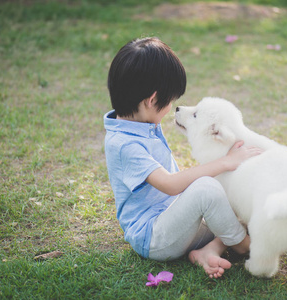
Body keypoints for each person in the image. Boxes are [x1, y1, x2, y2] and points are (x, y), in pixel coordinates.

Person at [104, 37, 262, 278]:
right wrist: (225, 161)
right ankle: (245, 246)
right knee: (208, 189)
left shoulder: (138, 121)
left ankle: (208, 250)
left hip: (177, 219)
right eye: (170, 101)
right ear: (152, 101)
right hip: (156, 237)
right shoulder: (124, 143)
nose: (172, 108)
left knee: (227, 193)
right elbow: (169, 184)